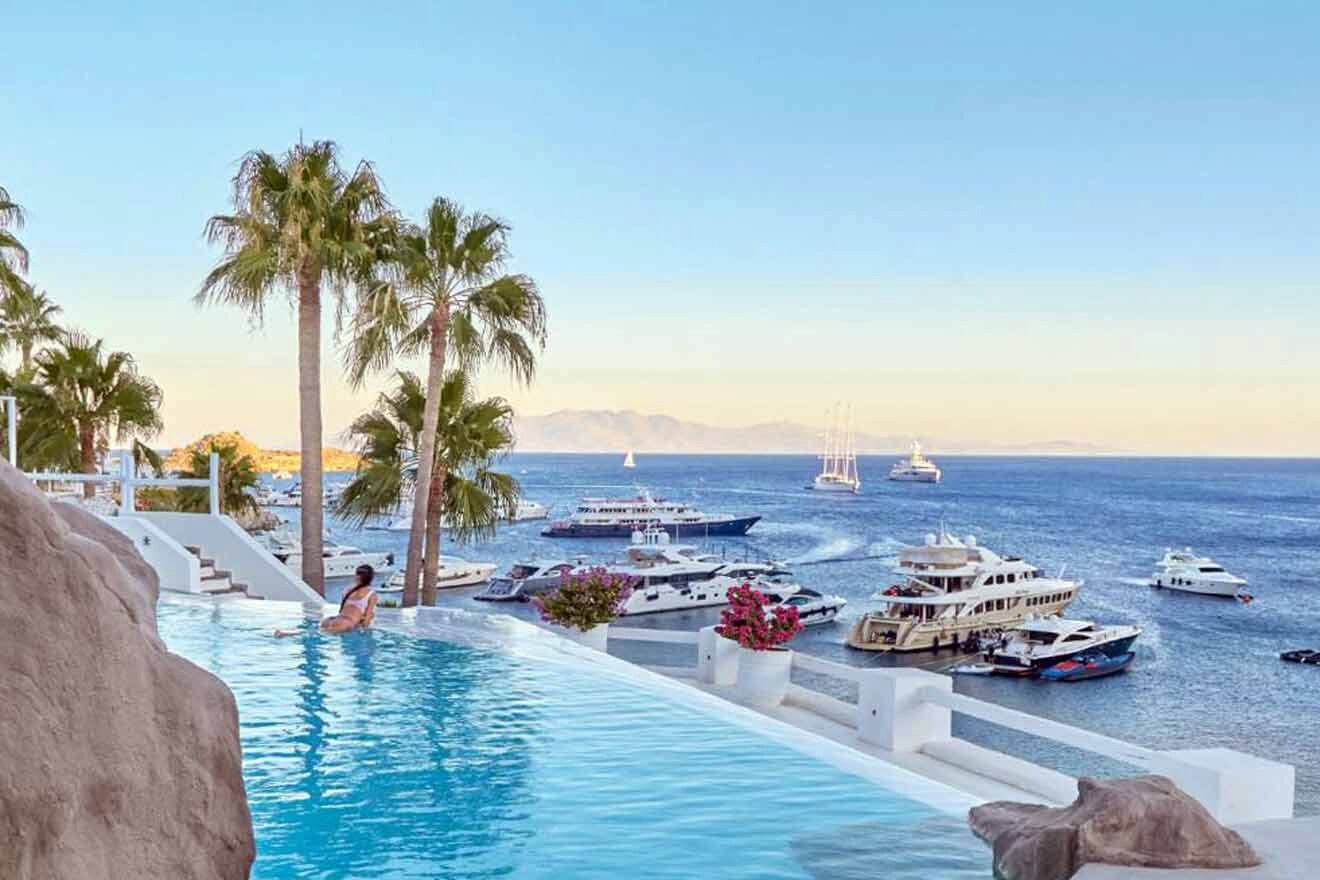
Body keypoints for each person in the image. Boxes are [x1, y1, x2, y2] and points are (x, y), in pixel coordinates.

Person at [275, 564, 378, 637]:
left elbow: (342, 609)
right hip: (346, 623)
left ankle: (289, 632)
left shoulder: (347, 590)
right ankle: (287, 634)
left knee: (317, 631)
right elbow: (366, 621)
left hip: (332, 619)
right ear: (370, 578)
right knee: (317, 634)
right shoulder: (371, 594)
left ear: (357, 576)